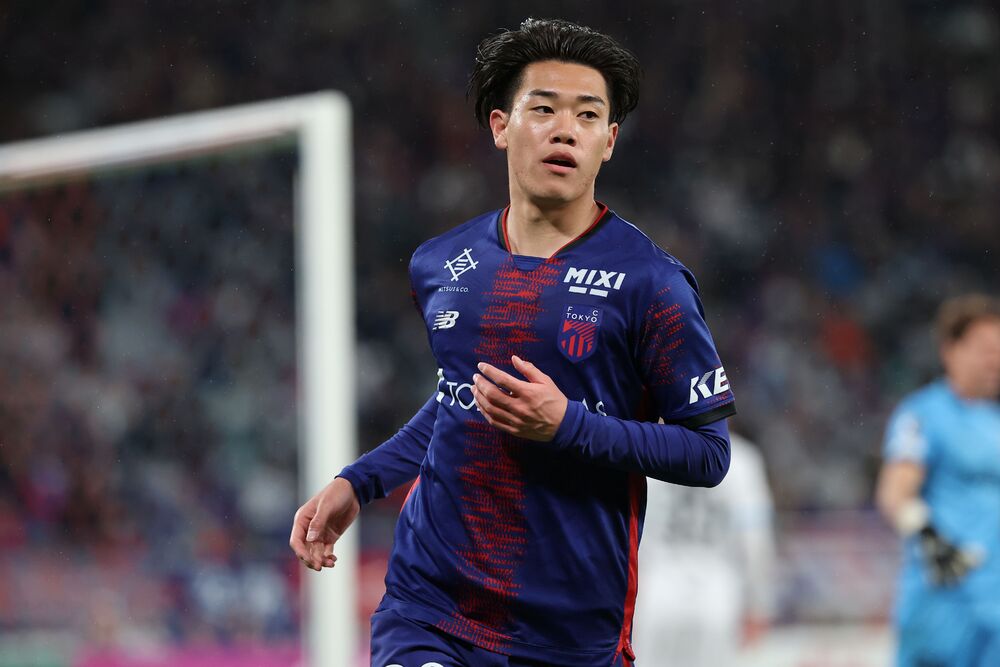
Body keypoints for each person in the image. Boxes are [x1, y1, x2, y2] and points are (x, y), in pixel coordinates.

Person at [289, 18, 736, 667]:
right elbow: (463, 399)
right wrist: (360, 481)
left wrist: (568, 425)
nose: (565, 130)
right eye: (544, 109)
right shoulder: (441, 264)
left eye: (588, 115)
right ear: (501, 126)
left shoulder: (652, 283)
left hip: (568, 633)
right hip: (431, 605)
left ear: (608, 142)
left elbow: (708, 453)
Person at [876, 294, 1000, 667]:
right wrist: (931, 538)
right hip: (943, 608)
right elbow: (895, 492)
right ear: (951, 350)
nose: (995, 360)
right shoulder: (924, 414)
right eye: (985, 350)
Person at [632, 430, 776, 666]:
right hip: (717, 593)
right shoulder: (742, 461)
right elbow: (755, 541)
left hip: (657, 590)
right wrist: (758, 603)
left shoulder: (651, 448)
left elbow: (634, 531)